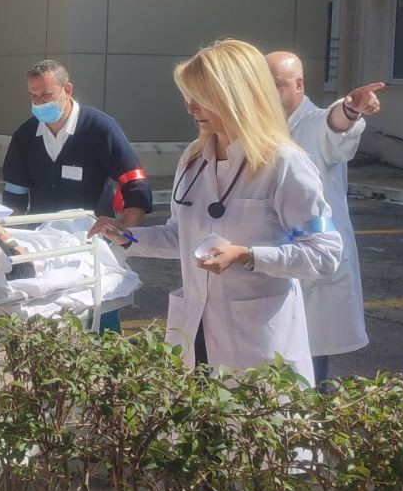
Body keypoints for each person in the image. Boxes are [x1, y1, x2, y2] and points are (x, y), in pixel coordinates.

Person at [90, 39, 341, 385]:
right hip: (195, 334)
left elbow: (325, 253)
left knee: (252, 417)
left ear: (237, 95)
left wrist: (246, 255)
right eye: (188, 97)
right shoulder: (193, 160)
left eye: (201, 97)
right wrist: (127, 236)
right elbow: (181, 236)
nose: (190, 108)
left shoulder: (285, 163)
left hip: (257, 341)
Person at [266, 51, 386, 382]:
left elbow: (336, 125)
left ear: (298, 84)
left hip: (310, 261)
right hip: (271, 256)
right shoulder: (265, 128)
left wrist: (350, 110)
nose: (266, 93)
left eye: (275, 85)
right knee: (270, 360)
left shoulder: (313, 122)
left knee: (309, 366)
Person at [3, 59, 153, 223]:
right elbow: (14, 197)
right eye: (33, 96)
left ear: (67, 90)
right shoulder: (24, 136)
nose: (39, 103)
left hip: (92, 236)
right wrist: (9, 234)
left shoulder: (100, 128)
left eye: (46, 95)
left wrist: (125, 231)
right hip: (42, 236)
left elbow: (135, 184)